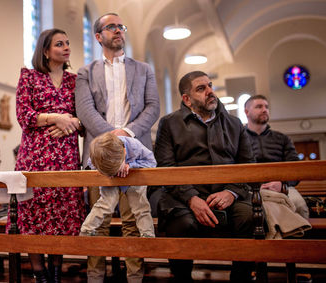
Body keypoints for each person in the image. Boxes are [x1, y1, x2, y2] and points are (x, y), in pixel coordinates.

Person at [76, 12, 160, 283]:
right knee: (97, 222)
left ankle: (135, 278)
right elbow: (85, 111)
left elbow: (153, 107)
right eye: (111, 27)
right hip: (99, 155)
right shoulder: (85, 73)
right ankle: (94, 278)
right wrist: (110, 138)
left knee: (133, 221)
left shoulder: (144, 69)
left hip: (134, 153)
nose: (118, 31)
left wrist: (126, 133)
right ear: (99, 37)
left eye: (120, 26)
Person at [154, 71, 255, 283]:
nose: (210, 92)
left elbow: (248, 165)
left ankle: (241, 277)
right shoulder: (170, 124)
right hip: (184, 194)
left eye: (210, 86)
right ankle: (182, 278)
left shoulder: (234, 124)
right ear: (186, 99)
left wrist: (231, 192)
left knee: (245, 216)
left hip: (228, 191)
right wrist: (192, 198)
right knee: (182, 223)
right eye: (201, 89)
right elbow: (165, 167)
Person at [7, 28, 86, 283]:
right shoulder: (29, 77)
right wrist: (56, 118)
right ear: (45, 50)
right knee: (34, 215)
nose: (66, 48)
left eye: (67, 43)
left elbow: (85, 120)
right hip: (36, 156)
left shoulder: (75, 81)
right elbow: (24, 116)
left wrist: (71, 121)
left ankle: (55, 271)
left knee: (62, 215)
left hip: (66, 157)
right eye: (59, 44)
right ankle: (39, 274)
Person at [80, 132, 156, 238]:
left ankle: (147, 233)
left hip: (132, 179)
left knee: (140, 206)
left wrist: (131, 165)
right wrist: (107, 172)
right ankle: (87, 229)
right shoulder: (97, 152)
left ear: (124, 153)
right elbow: (91, 164)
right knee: (105, 204)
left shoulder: (134, 146)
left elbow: (151, 163)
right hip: (110, 179)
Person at [244, 94, 308, 217]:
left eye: (266, 107)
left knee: (299, 205)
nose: (264, 110)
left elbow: (295, 167)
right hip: (251, 189)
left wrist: (282, 183)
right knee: (253, 211)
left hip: (281, 186)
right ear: (247, 112)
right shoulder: (239, 139)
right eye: (259, 106)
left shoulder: (282, 138)